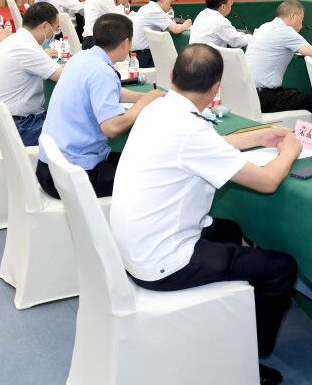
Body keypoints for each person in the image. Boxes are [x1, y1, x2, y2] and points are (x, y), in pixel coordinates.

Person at [111, 44, 301, 385]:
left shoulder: (158, 108)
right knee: (280, 269)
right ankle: (247, 357)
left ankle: (226, 317)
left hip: (134, 247)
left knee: (228, 229)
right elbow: (267, 181)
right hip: (163, 262)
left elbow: (208, 147)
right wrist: (290, 150)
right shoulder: (189, 129)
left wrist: (260, 135)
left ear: (172, 75)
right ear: (215, 88)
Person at [36, 13, 164, 200]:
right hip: (75, 176)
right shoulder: (102, 71)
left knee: (131, 159)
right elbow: (111, 127)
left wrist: (142, 97)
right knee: (152, 173)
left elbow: (106, 90)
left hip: (49, 168)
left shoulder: (82, 57)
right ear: (126, 43)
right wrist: (143, 104)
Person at [0, 2, 64, 147]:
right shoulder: (27, 47)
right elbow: (63, 76)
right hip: (18, 128)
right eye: (55, 29)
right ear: (45, 26)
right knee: (78, 126)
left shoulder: (14, 40)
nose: (55, 34)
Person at [247, 0, 312, 122]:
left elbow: (277, 48)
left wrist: (310, 48)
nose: (302, 25)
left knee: (297, 93)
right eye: (301, 19)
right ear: (293, 15)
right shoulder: (286, 31)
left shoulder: (265, 26)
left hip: (250, 93)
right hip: (265, 98)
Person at [131, 0, 192, 68]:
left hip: (138, 55)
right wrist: (186, 24)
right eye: (170, 3)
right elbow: (176, 29)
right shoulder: (156, 10)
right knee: (178, 65)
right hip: (145, 56)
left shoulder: (145, 7)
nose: (170, 7)